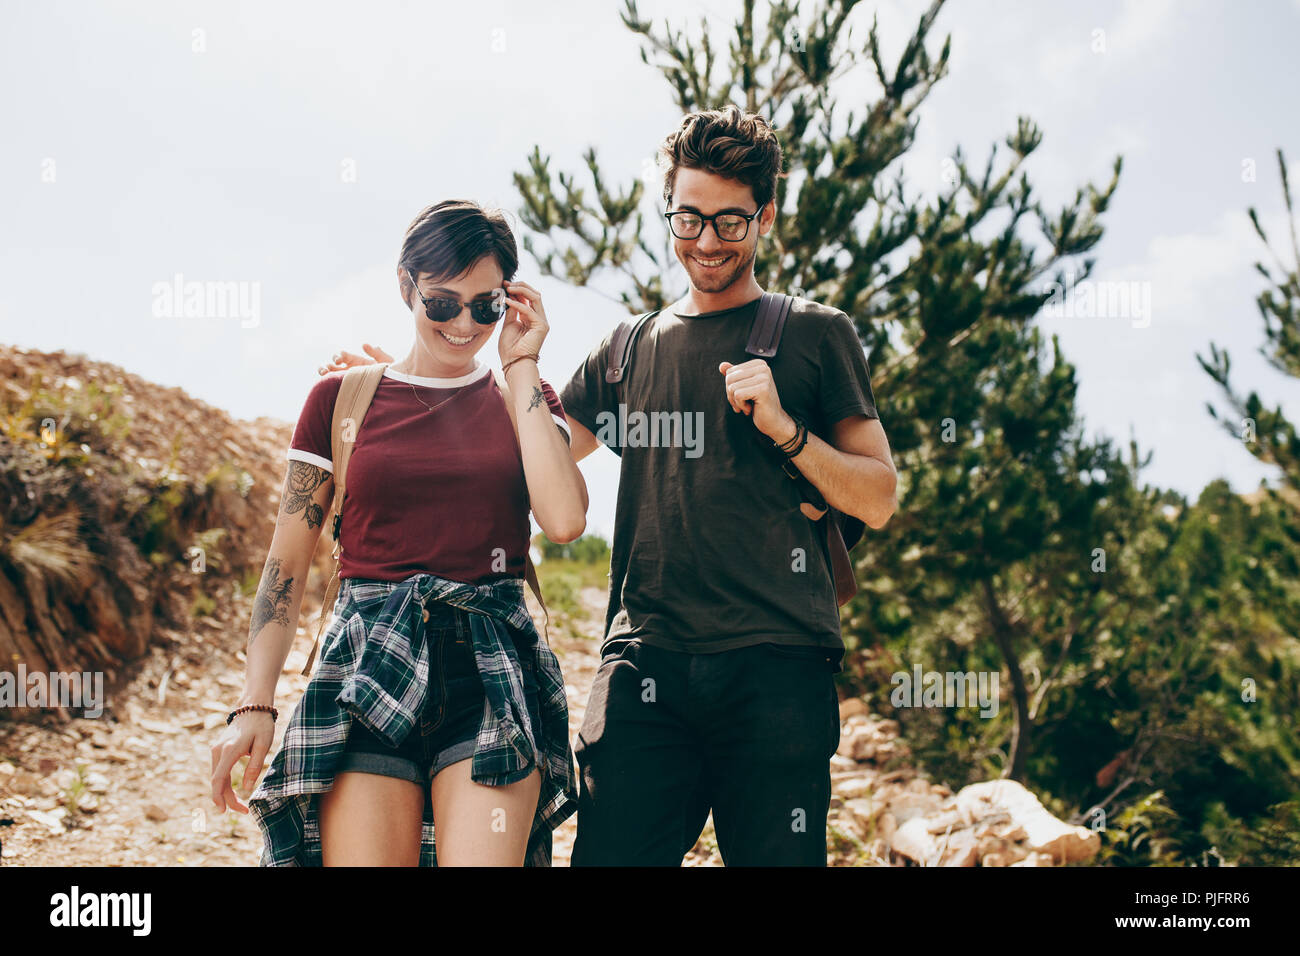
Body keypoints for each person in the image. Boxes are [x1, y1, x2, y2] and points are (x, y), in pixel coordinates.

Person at [322, 105, 898, 865]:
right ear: (669, 211)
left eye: (731, 223)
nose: (707, 242)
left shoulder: (816, 334)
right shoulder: (627, 349)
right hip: (644, 671)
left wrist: (788, 429)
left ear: (765, 218)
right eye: (688, 219)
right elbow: (530, 456)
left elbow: (878, 496)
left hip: (778, 669)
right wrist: (407, 389)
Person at [209, 199, 587, 866]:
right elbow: (286, 566)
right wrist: (255, 704)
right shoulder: (339, 401)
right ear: (406, 286)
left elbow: (563, 520)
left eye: (486, 305)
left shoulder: (526, 401)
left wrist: (522, 363)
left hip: (491, 666)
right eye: (442, 303)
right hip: (366, 665)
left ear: (512, 300)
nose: (464, 323)